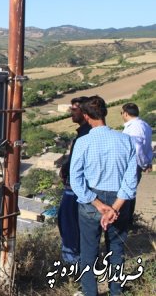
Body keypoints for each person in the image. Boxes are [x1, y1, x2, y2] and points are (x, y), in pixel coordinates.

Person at [70, 95, 138, 296]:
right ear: (105, 113)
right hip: (120, 200)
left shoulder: (83, 143)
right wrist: (115, 208)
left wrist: (99, 205)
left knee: (88, 251)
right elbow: (130, 180)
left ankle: (90, 292)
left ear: (86, 116)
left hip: (91, 201)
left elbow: (76, 180)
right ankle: (115, 291)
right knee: (116, 249)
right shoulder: (126, 140)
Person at [57, 96, 91, 264]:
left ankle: (74, 263)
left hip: (76, 188)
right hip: (77, 186)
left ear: (85, 113)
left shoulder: (86, 135)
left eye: (74, 109)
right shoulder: (83, 133)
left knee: (69, 223)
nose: (71, 112)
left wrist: (67, 169)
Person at [121, 103, 153, 226]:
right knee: (129, 193)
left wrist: (144, 164)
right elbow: (148, 148)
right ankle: (127, 222)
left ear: (126, 113)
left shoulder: (134, 127)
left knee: (126, 194)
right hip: (135, 165)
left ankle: (125, 223)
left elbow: (138, 149)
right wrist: (147, 162)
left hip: (132, 165)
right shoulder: (144, 125)